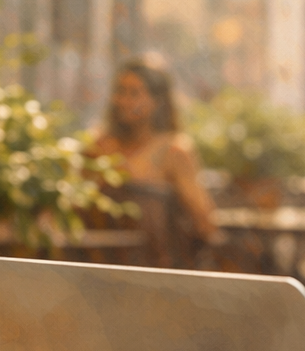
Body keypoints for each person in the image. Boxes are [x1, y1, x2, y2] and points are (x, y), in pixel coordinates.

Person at [90, 58, 217, 266]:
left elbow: (204, 223)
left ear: (158, 101)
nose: (124, 100)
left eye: (134, 93)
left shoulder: (174, 150)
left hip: (156, 270)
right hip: (100, 267)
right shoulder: (98, 147)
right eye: (120, 91)